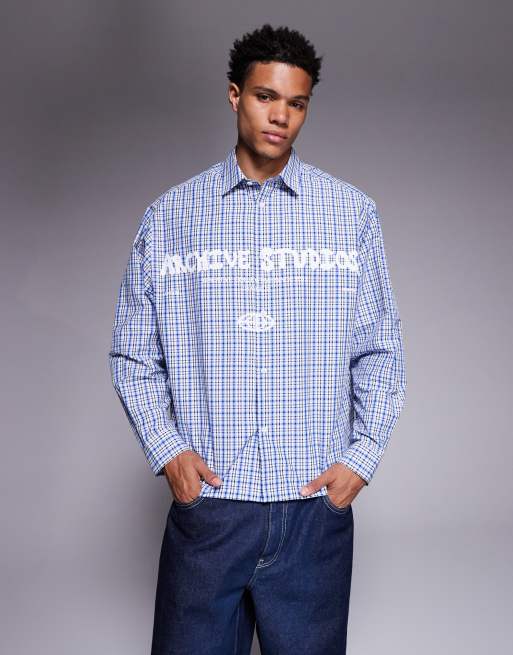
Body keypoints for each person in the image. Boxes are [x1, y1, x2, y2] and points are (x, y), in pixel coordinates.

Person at [109, 22, 406, 655]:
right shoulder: (170, 217)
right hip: (211, 511)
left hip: (312, 514)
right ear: (235, 96)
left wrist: (360, 460)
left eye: (297, 103)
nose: (281, 117)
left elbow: (380, 348)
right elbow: (133, 353)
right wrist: (169, 454)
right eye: (266, 96)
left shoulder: (350, 214)